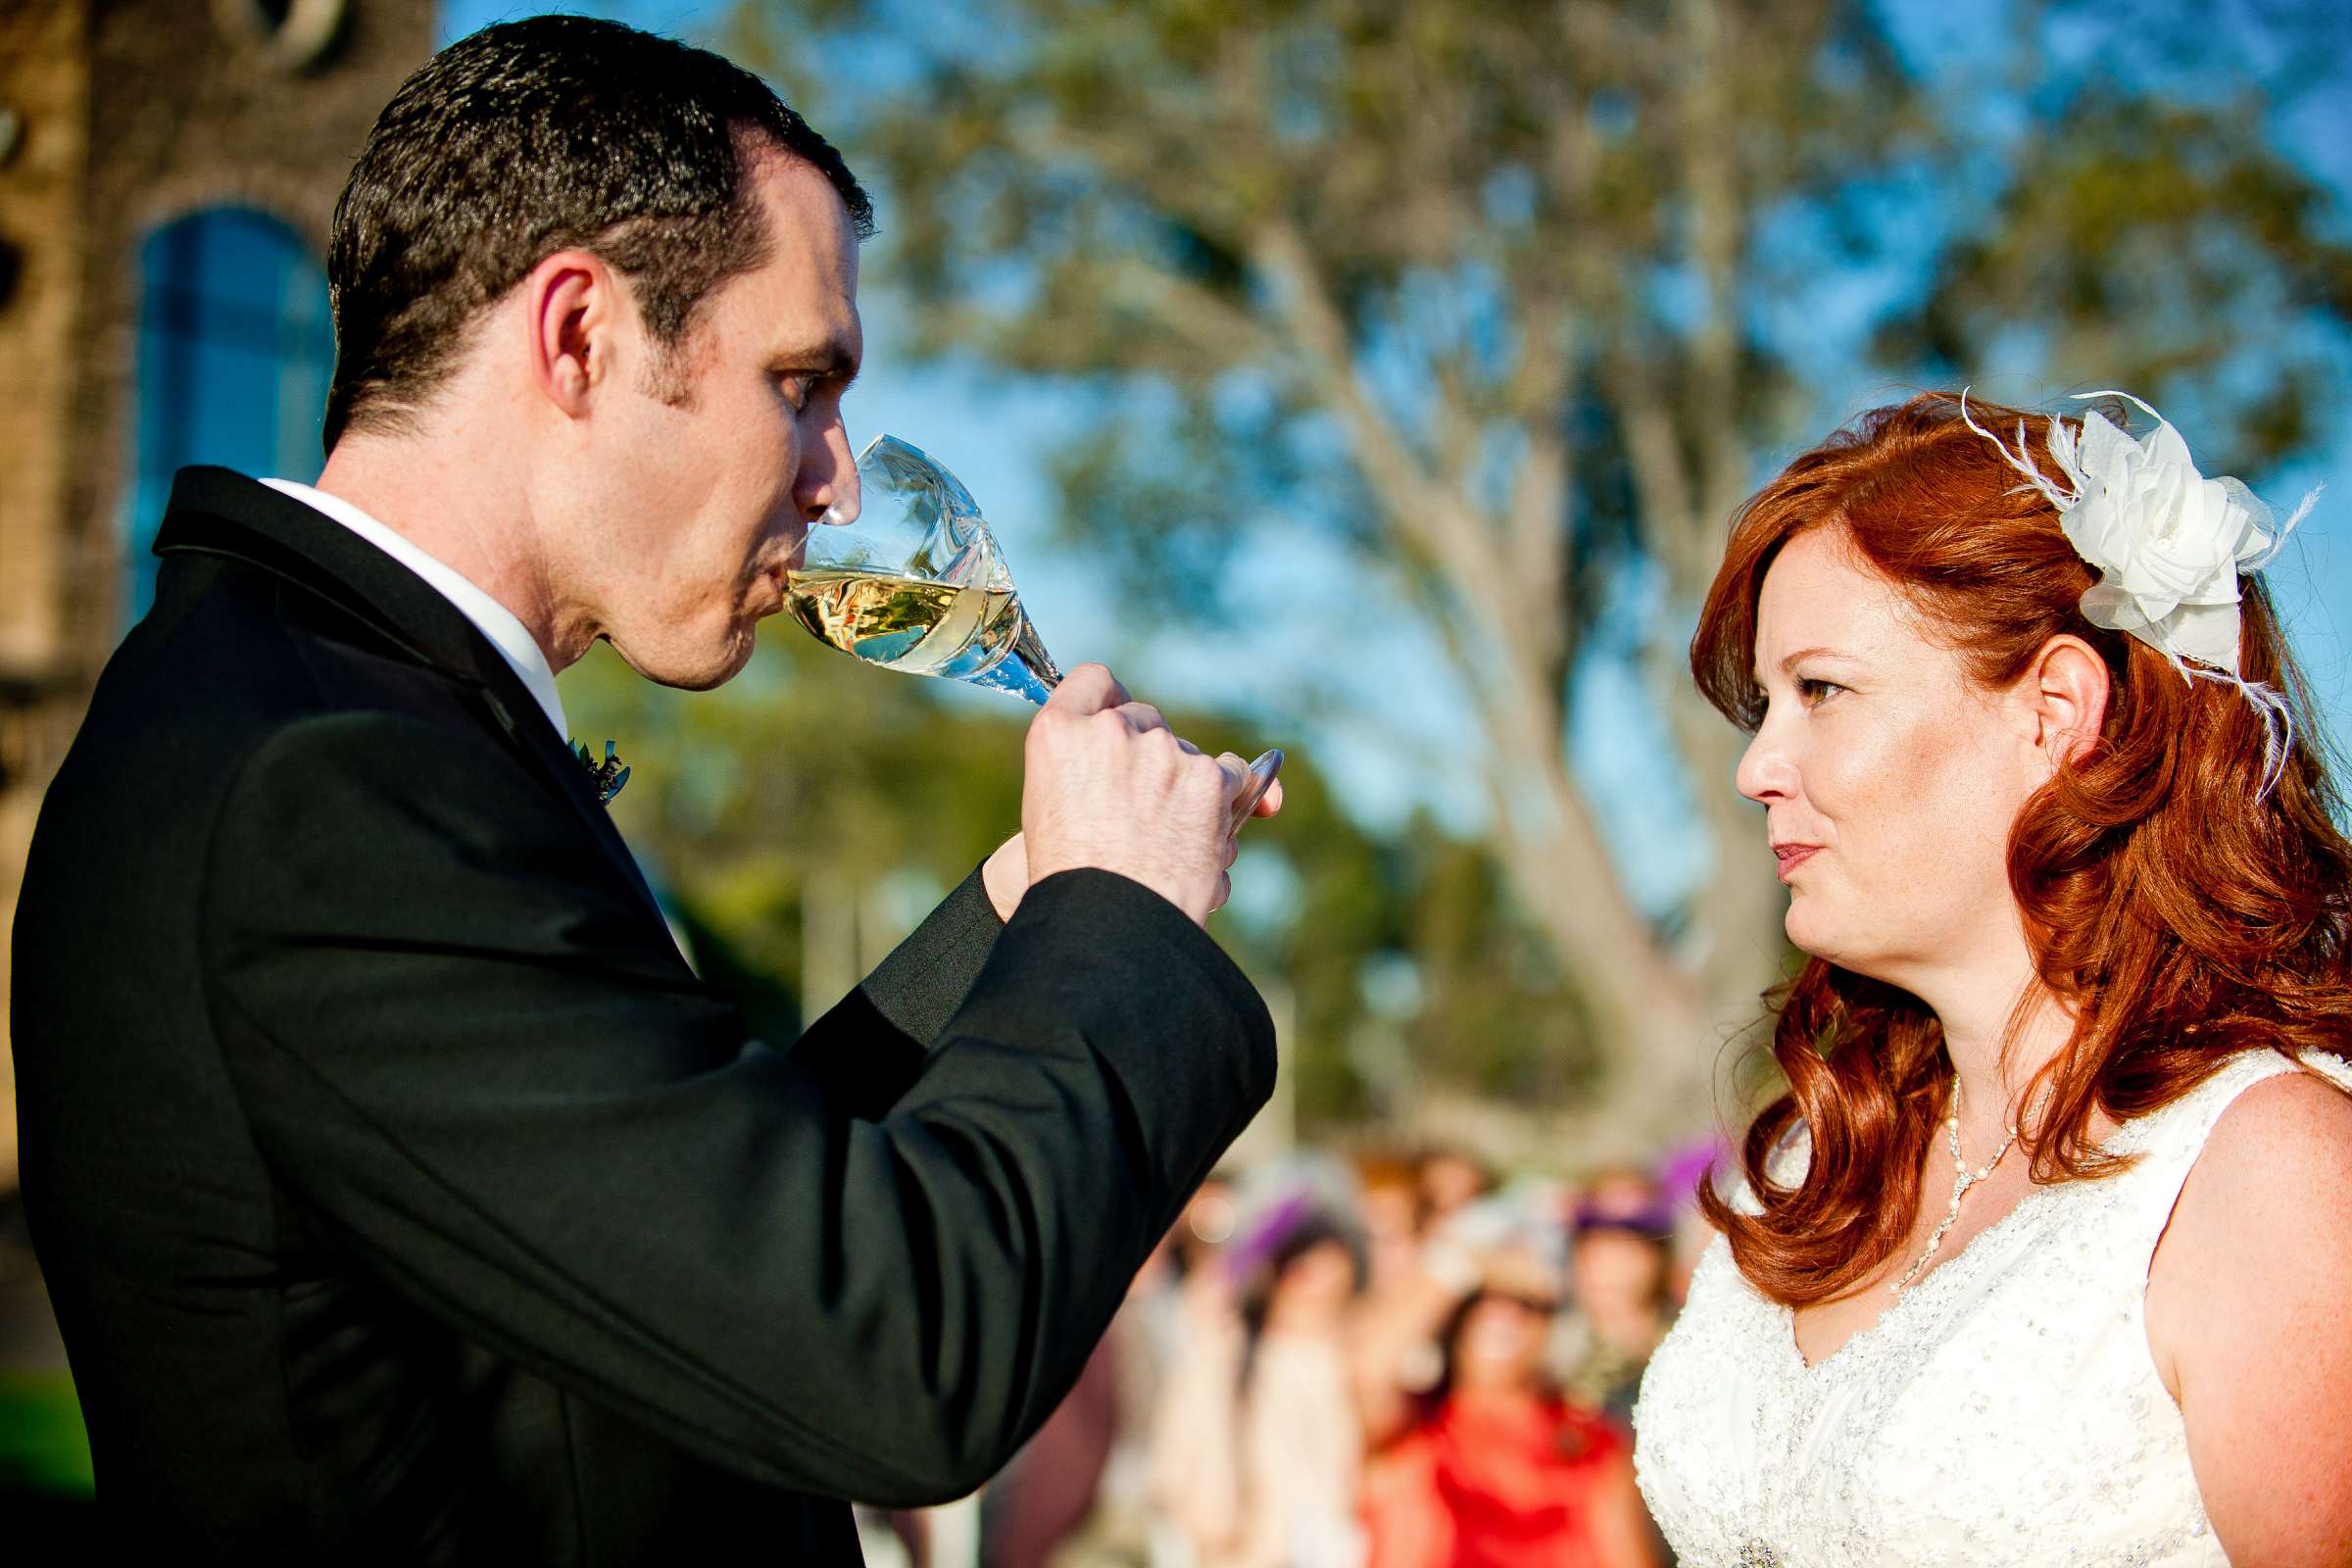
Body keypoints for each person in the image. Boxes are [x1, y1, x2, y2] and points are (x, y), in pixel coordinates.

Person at [10, 18, 1282, 1558]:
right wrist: (1122, 917)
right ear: (581, 339)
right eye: (802, 382)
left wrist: (1024, 911)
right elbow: (892, 1354)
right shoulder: (325, 783)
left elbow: (687, 1232)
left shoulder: (319, 716)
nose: (842, 481)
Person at [1633, 392, 2352, 1564]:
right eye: (1767, 707)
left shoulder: (2269, 1172)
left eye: (1821, 690)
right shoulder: (1821, 1157)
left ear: (2055, 712)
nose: (1758, 767)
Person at [1359, 1232, 1658, 1568]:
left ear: (1551, 1326)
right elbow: (1370, 1369)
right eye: (1480, 1302)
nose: (1503, 1316)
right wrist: (1468, 1264)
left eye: (1526, 1305)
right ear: (1453, 1319)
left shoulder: (1592, 1445)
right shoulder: (1413, 1428)